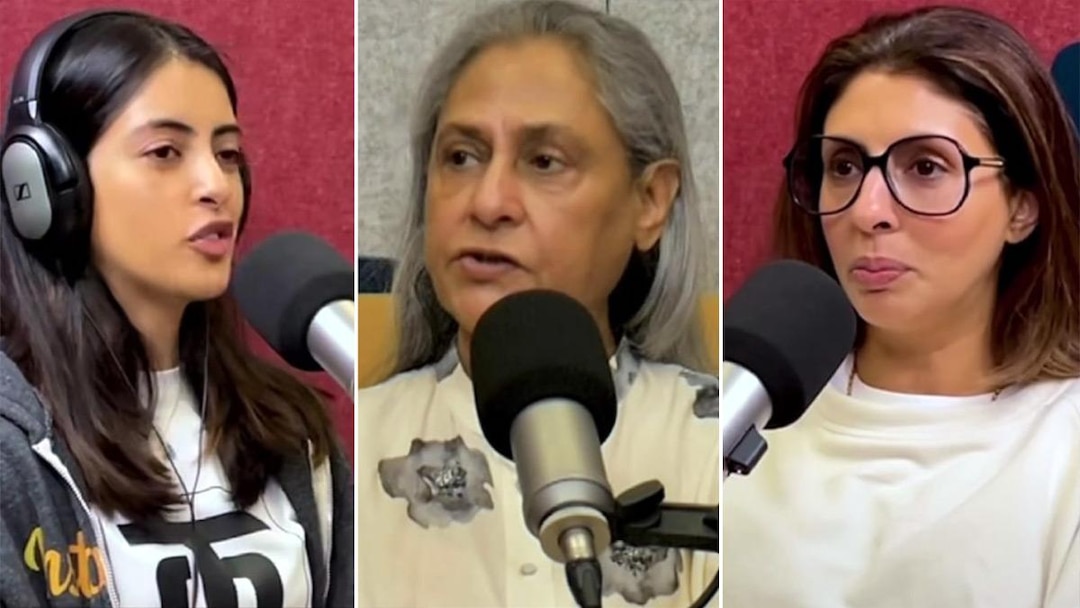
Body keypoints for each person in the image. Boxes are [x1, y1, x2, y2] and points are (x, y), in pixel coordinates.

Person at [355, 1, 719, 606]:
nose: (488, 202)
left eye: (545, 161)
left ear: (650, 200)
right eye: (461, 157)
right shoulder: (348, 450)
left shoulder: (722, 450)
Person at [723, 6, 1080, 607]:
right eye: (844, 167)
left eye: (925, 167)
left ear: (1023, 206)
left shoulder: (1064, 446)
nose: (868, 211)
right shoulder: (742, 399)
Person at [0, 11, 353, 607]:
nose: (216, 185)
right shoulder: (13, 450)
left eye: (228, 153)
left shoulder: (290, 432)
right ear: (46, 185)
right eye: (165, 151)